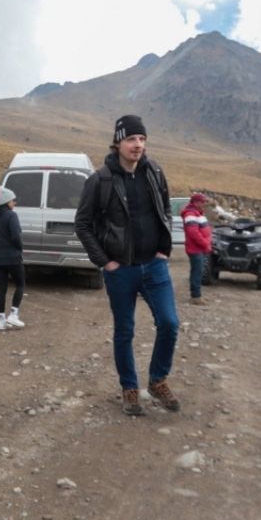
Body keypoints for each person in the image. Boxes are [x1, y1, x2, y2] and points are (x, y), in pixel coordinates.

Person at [74, 114, 181, 416]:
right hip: (121, 270)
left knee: (170, 323)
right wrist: (105, 262)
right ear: (118, 142)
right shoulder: (100, 180)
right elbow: (82, 224)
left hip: (155, 266)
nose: (138, 145)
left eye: (142, 139)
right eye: (132, 139)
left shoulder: (154, 172)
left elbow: (165, 212)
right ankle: (129, 389)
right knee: (125, 331)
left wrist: (164, 249)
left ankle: (158, 380)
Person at [0, 186, 25, 330]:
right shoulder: (11, 216)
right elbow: (16, 236)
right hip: (13, 258)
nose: (15, 203)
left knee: (2, 289)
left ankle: (1, 320)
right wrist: (20, 247)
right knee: (20, 284)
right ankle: (13, 315)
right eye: (13, 200)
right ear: (7, 202)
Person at [181, 192, 213, 305]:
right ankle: (195, 296)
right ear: (196, 202)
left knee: (198, 271)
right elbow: (193, 233)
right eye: (202, 201)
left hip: (199, 248)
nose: (204, 203)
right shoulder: (190, 214)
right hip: (195, 249)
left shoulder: (197, 213)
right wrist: (205, 244)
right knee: (197, 271)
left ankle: (197, 294)